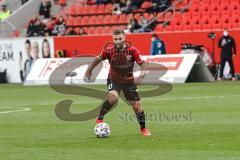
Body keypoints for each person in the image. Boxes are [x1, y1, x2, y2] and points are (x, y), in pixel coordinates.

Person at [85, 29, 151, 136]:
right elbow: (98, 58)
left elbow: (143, 65)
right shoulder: (109, 51)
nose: (118, 41)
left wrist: (141, 77)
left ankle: (143, 129)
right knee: (113, 98)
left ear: (124, 39)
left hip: (129, 81)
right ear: (113, 39)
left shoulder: (133, 51)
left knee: (136, 106)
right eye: (115, 39)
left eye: (120, 39)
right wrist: (89, 70)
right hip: (113, 79)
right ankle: (100, 118)